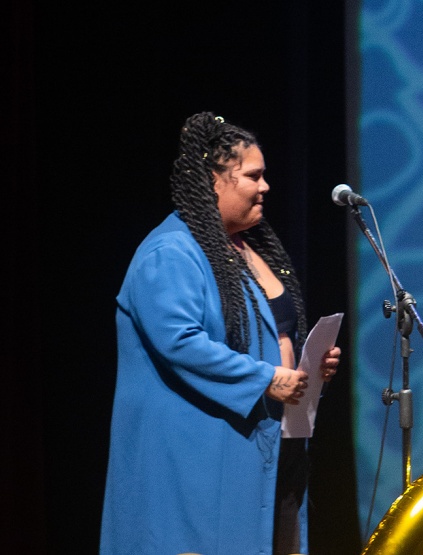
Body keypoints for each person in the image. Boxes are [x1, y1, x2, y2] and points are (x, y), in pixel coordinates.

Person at [100, 112, 340, 555]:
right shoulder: (170, 252)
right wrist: (266, 378)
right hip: (196, 456)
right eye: (253, 176)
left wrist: (309, 368)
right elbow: (180, 341)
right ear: (213, 181)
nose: (265, 186)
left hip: (267, 443)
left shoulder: (247, 248)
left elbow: (269, 330)